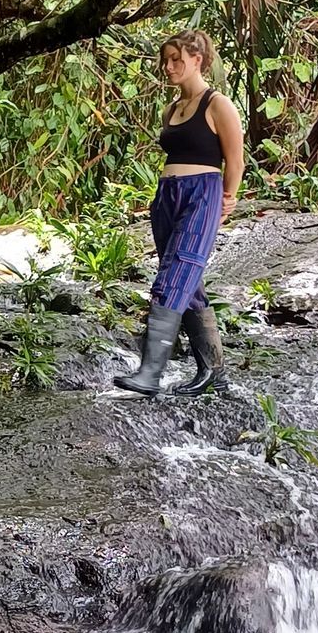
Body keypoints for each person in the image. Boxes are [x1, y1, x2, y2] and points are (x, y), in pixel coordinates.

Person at [115, 28, 244, 397]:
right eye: (165, 60)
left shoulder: (217, 104)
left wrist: (229, 196)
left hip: (202, 194)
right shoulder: (171, 109)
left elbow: (235, 159)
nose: (168, 67)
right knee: (188, 284)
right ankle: (214, 372)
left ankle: (150, 373)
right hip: (167, 196)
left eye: (176, 60)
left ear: (197, 61)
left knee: (176, 276)